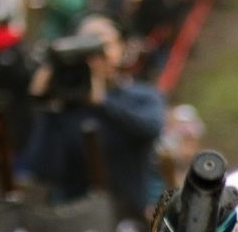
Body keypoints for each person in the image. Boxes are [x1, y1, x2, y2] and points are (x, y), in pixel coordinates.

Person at [21, 15, 166, 221]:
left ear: (121, 48)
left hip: (129, 218)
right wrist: (45, 105)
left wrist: (102, 103)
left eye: (103, 44)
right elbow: (42, 169)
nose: (97, 57)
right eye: (86, 48)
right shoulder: (65, 109)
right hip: (77, 223)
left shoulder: (140, 96)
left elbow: (150, 128)